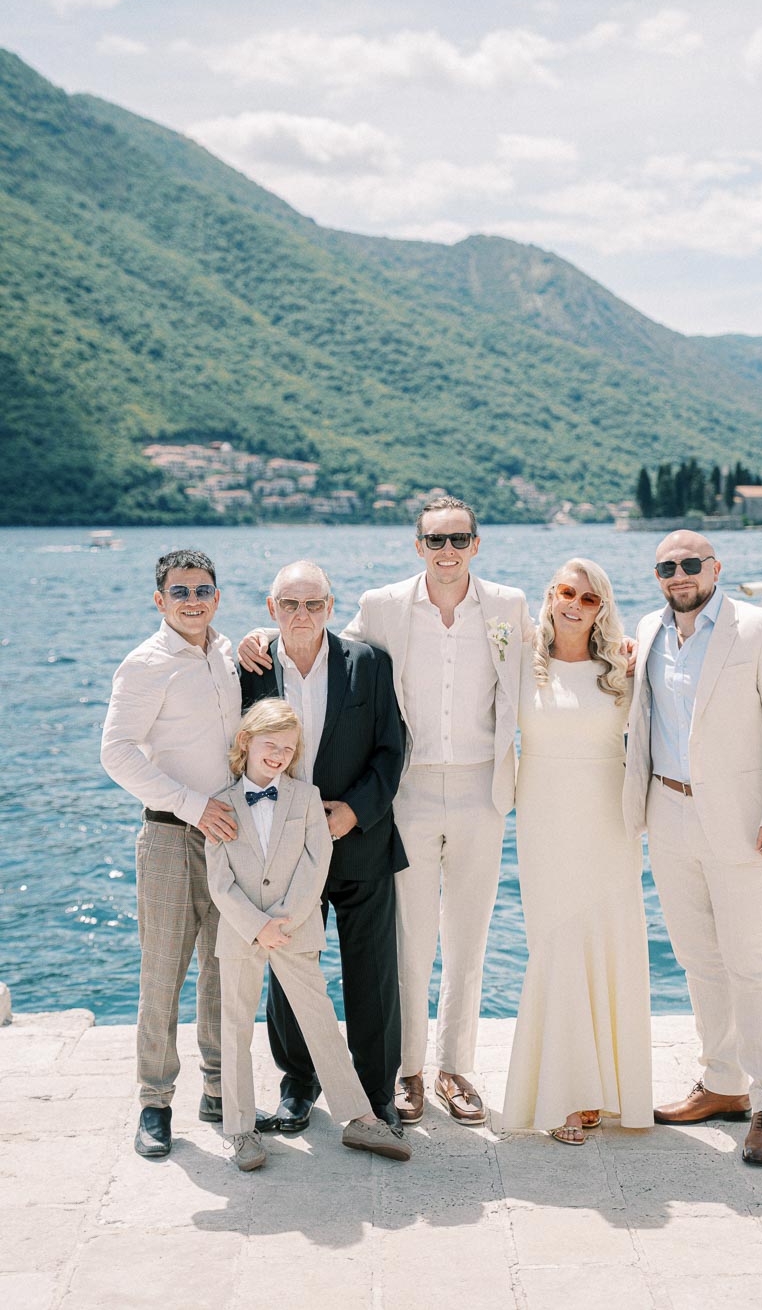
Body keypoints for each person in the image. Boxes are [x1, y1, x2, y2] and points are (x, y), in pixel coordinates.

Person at [239, 496, 532, 1126]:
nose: (447, 551)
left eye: (459, 539)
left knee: (469, 940)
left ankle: (455, 1069)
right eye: (435, 540)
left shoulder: (508, 606)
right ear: (417, 546)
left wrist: (621, 657)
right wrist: (260, 636)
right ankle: (406, 1073)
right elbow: (326, 656)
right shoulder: (381, 606)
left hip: (484, 787)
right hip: (409, 792)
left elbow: (541, 664)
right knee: (406, 943)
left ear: (476, 544)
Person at [623, 530, 762, 1165]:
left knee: (748, 961)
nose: (679, 574)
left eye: (690, 564)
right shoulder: (649, 631)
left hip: (739, 821)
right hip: (666, 813)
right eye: (666, 567)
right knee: (698, 959)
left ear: (715, 567)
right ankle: (722, 1084)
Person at [239, 560, 407, 1136]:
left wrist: (355, 811)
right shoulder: (252, 670)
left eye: (313, 604)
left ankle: (377, 1094)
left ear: (331, 608)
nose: (302, 615)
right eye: (290, 604)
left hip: (358, 839)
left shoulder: (369, 664)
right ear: (271, 610)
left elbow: (392, 749)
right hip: (281, 850)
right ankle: (298, 1085)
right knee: (288, 969)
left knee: (374, 974)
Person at [206, 699, 411, 1169]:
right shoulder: (221, 805)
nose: (278, 755)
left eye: (288, 748)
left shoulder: (304, 797)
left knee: (319, 1018)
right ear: (246, 742)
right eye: (269, 744)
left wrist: (285, 919)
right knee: (235, 1026)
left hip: (294, 927)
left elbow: (316, 864)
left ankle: (358, 1117)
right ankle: (239, 1130)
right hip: (242, 932)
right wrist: (258, 926)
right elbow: (220, 882)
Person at [502, 559, 654, 1144]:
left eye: (589, 599)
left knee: (608, 939)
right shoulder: (518, 658)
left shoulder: (622, 667)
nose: (574, 604)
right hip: (543, 819)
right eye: (567, 592)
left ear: (602, 609)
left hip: (608, 821)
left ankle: (606, 1091)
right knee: (557, 942)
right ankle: (564, 1095)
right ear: (549, 595)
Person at [100, 549, 242, 1158]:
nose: (192, 600)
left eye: (202, 590)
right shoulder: (145, 664)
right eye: (179, 592)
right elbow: (117, 752)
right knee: (163, 972)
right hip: (168, 836)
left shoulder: (230, 654)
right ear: (160, 601)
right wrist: (190, 804)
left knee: (221, 968)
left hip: (231, 838)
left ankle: (218, 1091)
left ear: (217, 596)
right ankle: (155, 1103)